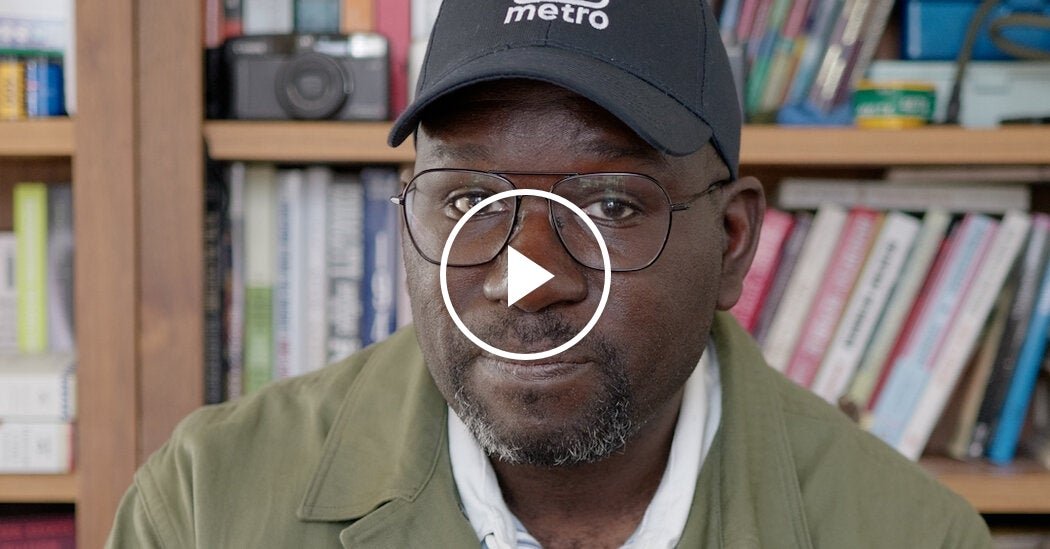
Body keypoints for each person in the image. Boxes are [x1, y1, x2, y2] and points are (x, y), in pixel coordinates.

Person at [107, 0, 993, 547]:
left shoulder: (913, 535)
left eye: (609, 204)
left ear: (732, 242)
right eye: (467, 201)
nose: (526, 278)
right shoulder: (203, 507)